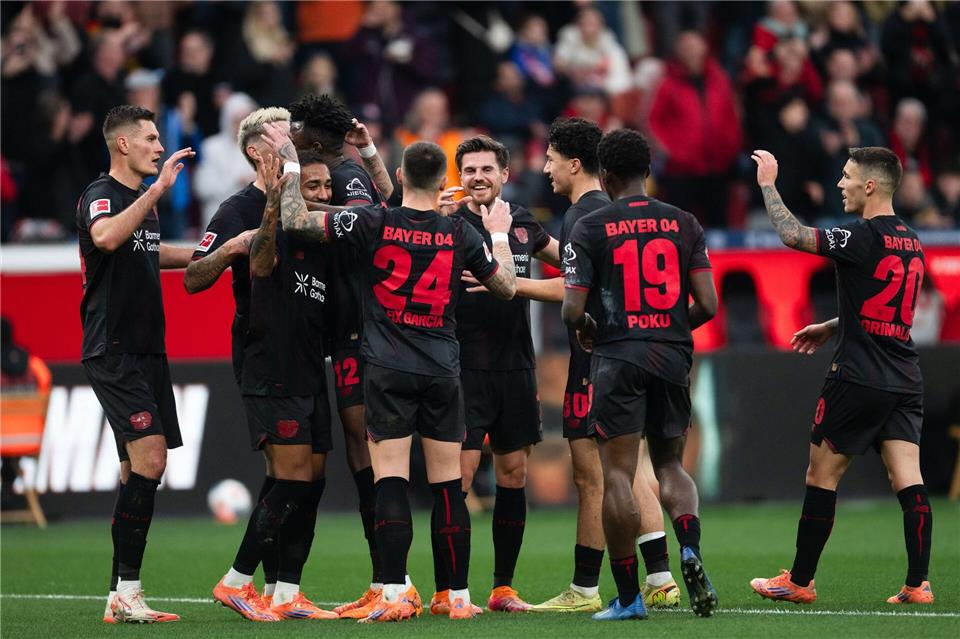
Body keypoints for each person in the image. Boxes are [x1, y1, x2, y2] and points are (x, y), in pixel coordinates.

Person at [264, 127, 519, 622]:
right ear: (444, 181)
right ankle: (458, 597)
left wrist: (291, 161)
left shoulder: (372, 220)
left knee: (391, 482)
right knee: (448, 485)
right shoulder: (460, 232)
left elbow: (294, 219)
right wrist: (501, 235)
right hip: (443, 369)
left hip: (387, 368)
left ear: (400, 177)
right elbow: (507, 287)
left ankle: (396, 592)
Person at [749, 147, 934, 605]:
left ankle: (800, 581)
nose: (840, 184)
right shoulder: (911, 240)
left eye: (847, 176)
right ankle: (918, 584)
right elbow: (888, 309)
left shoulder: (860, 235)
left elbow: (793, 235)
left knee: (821, 477)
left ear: (870, 185)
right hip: (904, 378)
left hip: (857, 377)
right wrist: (834, 325)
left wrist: (768, 185)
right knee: (908, 478)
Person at [562, 129, 719, 620]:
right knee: (671, 466)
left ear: (605, 176)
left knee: (618, 475)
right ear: (648, 171)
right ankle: (688, 547)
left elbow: (572, 310)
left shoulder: (590, 226)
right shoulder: (684, 222)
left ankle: (630, 596)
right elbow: (708, 304)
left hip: (618, 359)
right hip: (671, 357)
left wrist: (591, 330)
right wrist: (670, 329)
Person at [532, 118, 680, 613]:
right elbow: (578, 267)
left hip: (597, 359)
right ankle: (660, 576)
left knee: (594, 477)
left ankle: (586, 587)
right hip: (641, 352)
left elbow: (574, 289)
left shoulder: (583, 214)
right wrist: (536, 240)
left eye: (551, 160)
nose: (545, 169)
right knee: (630, 469)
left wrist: (506, 283)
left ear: (575, 164)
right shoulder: (607, 211)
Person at [77, 105, 195, 624]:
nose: (159, 147)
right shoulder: (102, 194)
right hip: (114, 347)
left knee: (134, 471)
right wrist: (157, 190)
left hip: (148, 348)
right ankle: (128, 591)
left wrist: (218, 251)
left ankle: (118, 596)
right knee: (151, 460)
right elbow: (106, 237)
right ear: (122, 144)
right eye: (150, 138)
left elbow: (149, 251)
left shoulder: (141, 204)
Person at [437, 135, 559, 615]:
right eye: (469, 170)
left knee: (513, 473)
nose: (478, 178)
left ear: (505, 174)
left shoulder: (523, 221)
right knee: (461, 477)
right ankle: (449, 590)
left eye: (487, 169)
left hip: (516, 366)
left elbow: (571, 263)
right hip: (463, 367)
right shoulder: (449, 223)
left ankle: (503, 587)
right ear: (459, 176)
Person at [286, 93, 396, 620]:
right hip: (346, 328)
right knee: (360, 450)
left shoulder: (345, 174)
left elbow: (368, 217)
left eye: (296, 129)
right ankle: (385, 578)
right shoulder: (336, 170)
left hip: (362, 328)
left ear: (313, 137)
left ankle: (389, 579)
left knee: (366, 447)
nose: (291, 135)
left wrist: (301, 205)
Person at [229, 150, 338, 621]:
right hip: (272, 370)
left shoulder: (323, 238)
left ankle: (286, 592)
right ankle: (236, 580)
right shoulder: (270, 227)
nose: (323, 194)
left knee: (311, 481)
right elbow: (258, 268)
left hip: (311, 371)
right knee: (291, 480)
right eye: (312, 186)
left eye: (327, 186)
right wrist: (274, 202)